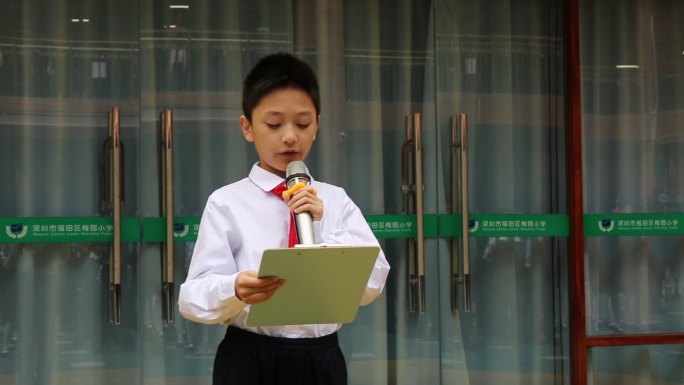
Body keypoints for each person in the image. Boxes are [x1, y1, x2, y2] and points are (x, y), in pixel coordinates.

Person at [177, 52, 391, 385]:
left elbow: (373, 283)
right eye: (274, 124)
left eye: (303, 124)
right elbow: (192, 300)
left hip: (320, 360)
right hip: (250, 358)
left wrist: (320, 228)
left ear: (317, 125)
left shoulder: (334, 200)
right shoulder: (226, 202)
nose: (290, 136)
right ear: (247, 127)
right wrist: (235, 288)